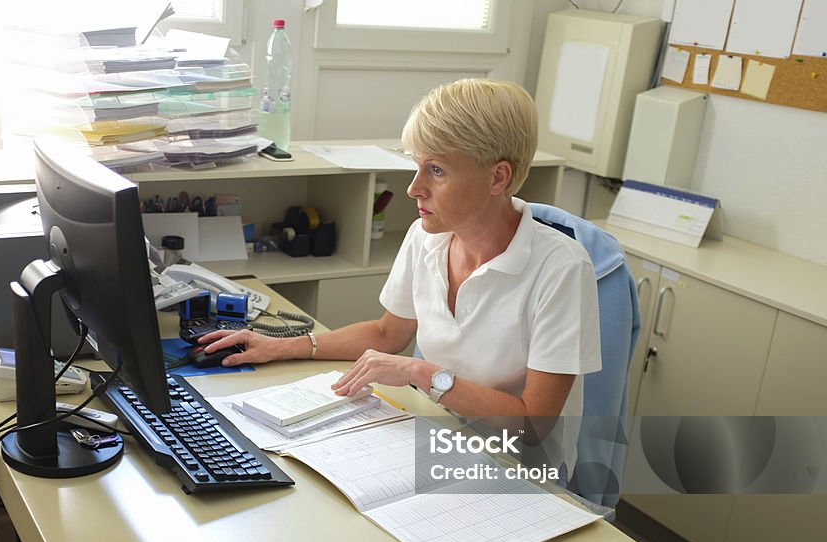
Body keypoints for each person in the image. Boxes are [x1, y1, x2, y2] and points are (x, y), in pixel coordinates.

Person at [200, 78, 602, 480]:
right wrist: (279, 347)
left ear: (497, 178)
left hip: (518, 473)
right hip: (431, 435)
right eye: (417, 166)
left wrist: (420, 373)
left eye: (437, 170)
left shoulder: (562, 268)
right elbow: (386, 334)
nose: (414, 189)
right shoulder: (426, 237)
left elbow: (533, 425)